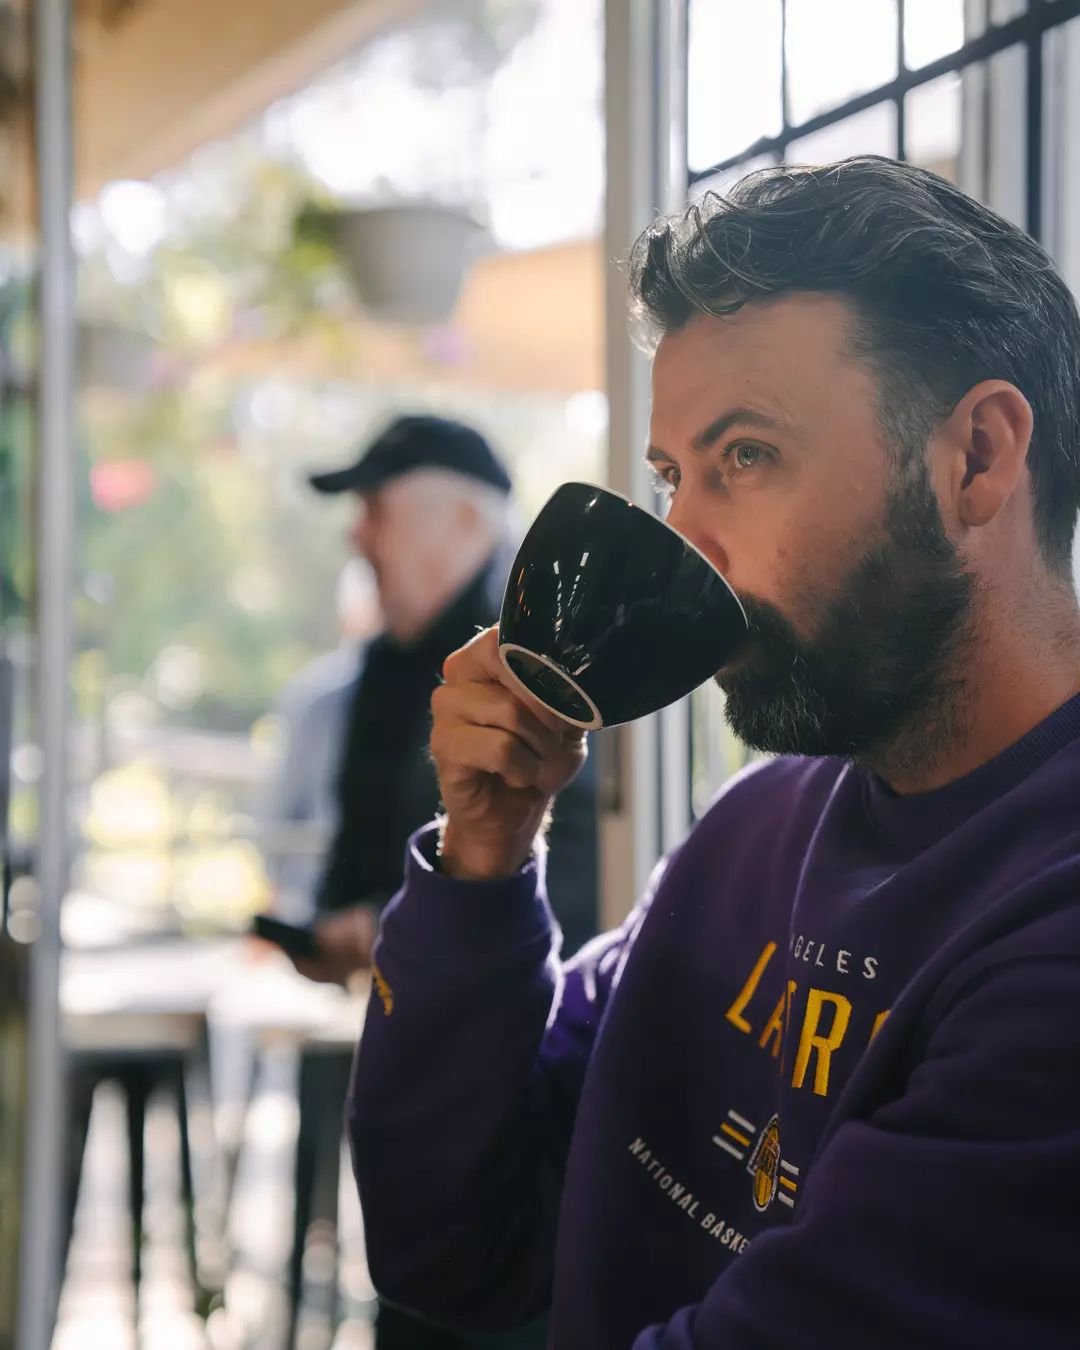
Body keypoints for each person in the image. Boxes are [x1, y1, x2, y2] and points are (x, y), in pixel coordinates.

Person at [347, 157, 1080, 1349]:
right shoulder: (760, 825)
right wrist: (484, 857)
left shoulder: (1052, 925)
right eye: (674, 478)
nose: (682, 543)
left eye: (745, 457)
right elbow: (448, 1246)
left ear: (979, 459)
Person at [297, 415, 598, 1350]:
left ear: (468, 519)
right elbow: (351, 863)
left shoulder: (547, 678)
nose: (357, 533)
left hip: (514, 1106)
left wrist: (402, 922)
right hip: (402, 1063)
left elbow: (580, 909)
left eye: (378, 508)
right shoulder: (382, 672)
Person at [257, 557, 382, 921]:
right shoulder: (318, 696)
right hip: (321, 898)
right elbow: (283, 802)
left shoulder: (312, 693)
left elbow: (280, 802)